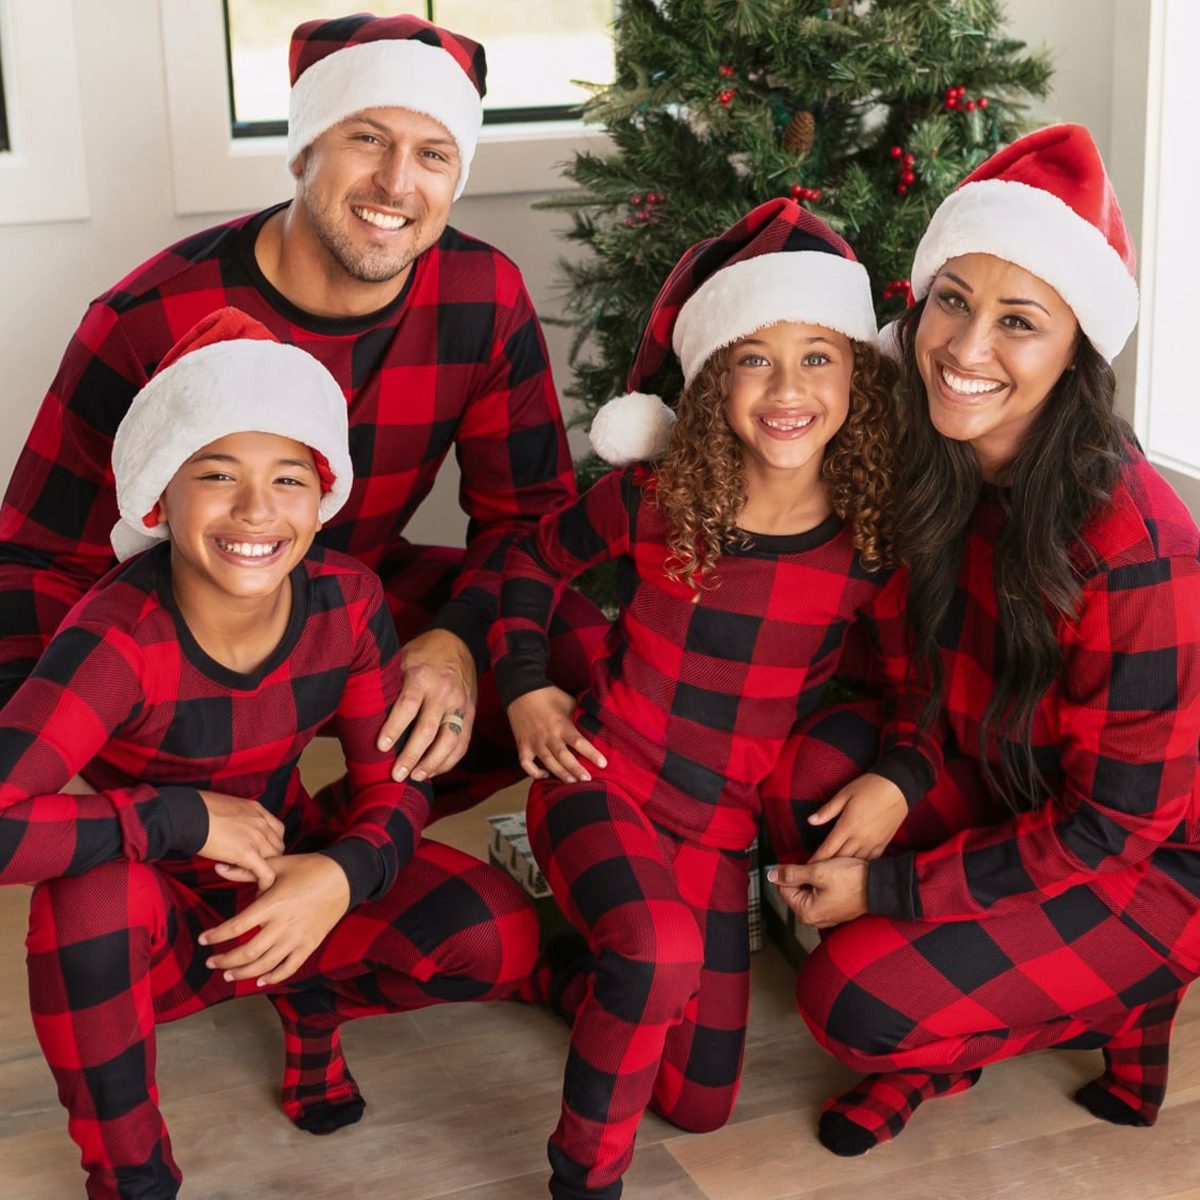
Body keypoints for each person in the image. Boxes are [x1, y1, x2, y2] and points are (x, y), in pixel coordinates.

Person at [0, 12, 605, 815]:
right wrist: (93, 754)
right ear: (303, 149)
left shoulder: (482, 296)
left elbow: (529, 518)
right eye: (365, 138)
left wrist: (457, 637)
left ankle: (343, 836)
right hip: (186, 614)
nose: (396, 183)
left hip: (355, 587)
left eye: (432, 155)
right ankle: (235, 839)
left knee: (571, 645)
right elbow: (35, 561)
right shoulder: (146, 317)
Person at [11, 309, 540, 1200]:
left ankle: (311, 999)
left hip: (285, 861)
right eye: (217, 473)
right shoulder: (112, 639)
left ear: (321, 494)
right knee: (83, 907)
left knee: (499, 937)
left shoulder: (346, 599)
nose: (257, 510)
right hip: (159, 895)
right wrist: (178, 816)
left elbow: (393, 789)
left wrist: (334, 879)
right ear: (158, 494)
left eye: (289, 478)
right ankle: (133, 1180)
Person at [768, 124, 1200, 1157]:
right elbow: (923, 663)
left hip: (1137, 868)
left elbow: (1110, 833)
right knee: (807, 782)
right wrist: (906, 773)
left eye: (1020, 322)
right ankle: (939, 1025)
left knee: (850, 1004)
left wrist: (891, 889)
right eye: (952, 301)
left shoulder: (1139, 551)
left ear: (1076, 347)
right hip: (989, 775)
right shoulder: (937, 456)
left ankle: (1101, 1004)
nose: (965, 351)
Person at [490, 199, 908, 1200]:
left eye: (819, 355)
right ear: (715, 378)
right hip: (601, 781)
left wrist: (898, 776)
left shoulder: (867, 547)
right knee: (661, 949)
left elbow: (921, 689)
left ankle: (570, 971)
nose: (789, 387)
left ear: (858, 375)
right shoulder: (653, 497)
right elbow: (522, 570)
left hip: (717, 831)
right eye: (755, 358)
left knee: (703, 1101)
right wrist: (526, 688)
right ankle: (581, 1178)